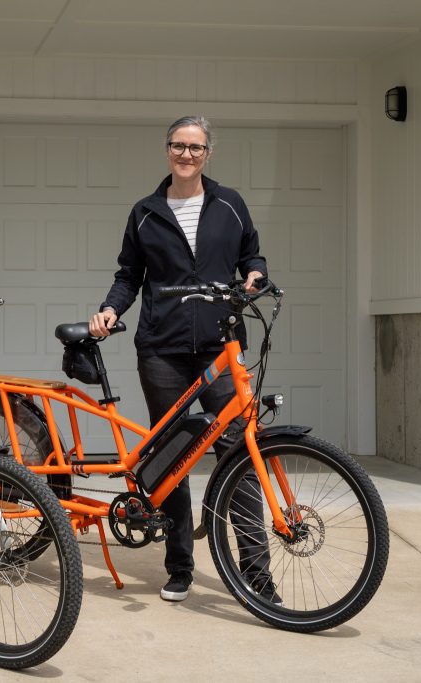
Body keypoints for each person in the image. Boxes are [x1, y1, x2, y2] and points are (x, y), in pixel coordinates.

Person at [89, 115, 278, 604]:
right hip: (162, 348)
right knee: (174, 455)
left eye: (195, 147)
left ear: (208, 152)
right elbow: (129, 274)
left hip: (219, 343)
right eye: (178, 146)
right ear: (167, 150)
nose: (186, 154)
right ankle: (179, 567)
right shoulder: (146, 212)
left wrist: (255, 276)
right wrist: (111, 307)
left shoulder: (229, 204)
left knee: (237, 453)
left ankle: (257, 575)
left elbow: (252, 256)